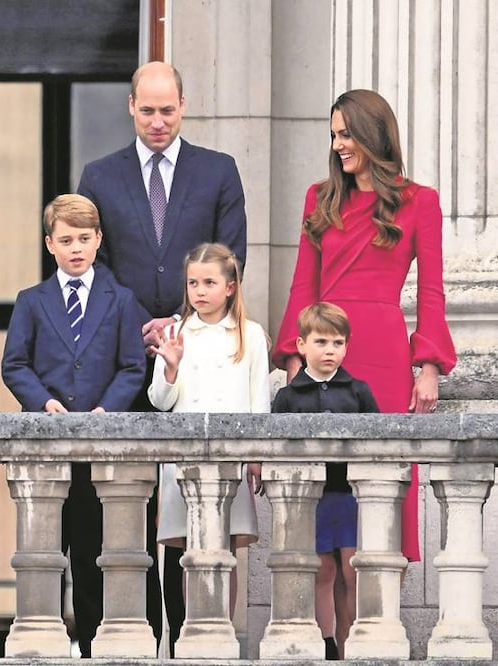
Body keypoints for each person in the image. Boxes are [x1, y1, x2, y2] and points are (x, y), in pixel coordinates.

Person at [76, 60, 247, 651]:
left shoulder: (218, 171)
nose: (157, 121)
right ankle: (124, 636)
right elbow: (92, 264)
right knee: (117, 502)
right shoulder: (99, 175)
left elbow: (231, 257)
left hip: (196, 357)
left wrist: (178, 319)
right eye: (146, 110)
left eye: (167, 110)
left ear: (184, 106)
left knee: (187, 508)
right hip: (119, 362)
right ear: (130, 106)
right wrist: (137, 324)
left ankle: (186, 639)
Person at [272, 89, 457, 568]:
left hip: (384, 353)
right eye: (334, 135)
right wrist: (294, 359)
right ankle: (332, 616)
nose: (338, 145)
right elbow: (303, 283)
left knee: (385, 484)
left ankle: (383, 609)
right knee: (324, 488)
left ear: (374, 135)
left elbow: (432, 291)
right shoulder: (320, 198)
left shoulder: (420, 202)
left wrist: (429, 367)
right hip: (325, 351)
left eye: (346, 134)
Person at [0, 193, 149, 657]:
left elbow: (132, 366)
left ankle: (90, 649)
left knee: (90, 555)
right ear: (50, 244)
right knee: (43, 557)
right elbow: (14, 364)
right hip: (45, 450)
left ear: (99, 239)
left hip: (98, 452)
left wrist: (107, 410)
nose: (76, 248)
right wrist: (42, 401)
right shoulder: (31, 301)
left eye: (84, 238)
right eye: (66, 240)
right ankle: (41, 649)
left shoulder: (121, 300)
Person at [147, 242, 267, 618]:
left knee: (225, 551)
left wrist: (257, 457)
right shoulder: (176, 331)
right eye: (193, 283)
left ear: (230, 287)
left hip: (232, 459)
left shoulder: (250, 334)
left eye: (209, 283)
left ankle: (223, 630)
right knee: (191, 551)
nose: (199, 291)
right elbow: (160, 401)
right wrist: (170, 367)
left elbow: (259, 403)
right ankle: (192, 630)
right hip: (185, 460)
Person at [272, 302, 379, 660]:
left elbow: (378, 442)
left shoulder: (358, 391)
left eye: (337, 343)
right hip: (310, 500)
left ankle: (353, 644)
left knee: (353, 570)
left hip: (349, 496)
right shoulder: (288, 396)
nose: (330, 350)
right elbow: (277, 448)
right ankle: (326, 645)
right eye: (321, 342)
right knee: (322, 571)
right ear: (301, 345)